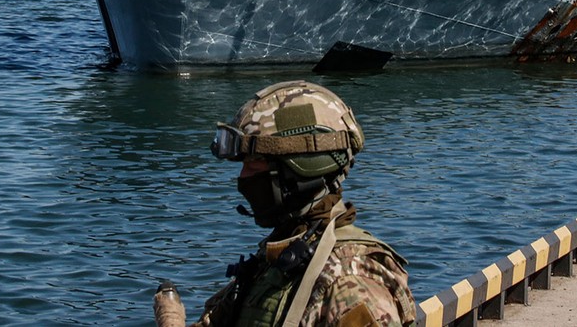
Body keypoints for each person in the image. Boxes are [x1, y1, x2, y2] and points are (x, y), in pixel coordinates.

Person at [157, 80, 416, 327]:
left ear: (300, 169)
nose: (243, 178)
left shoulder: (350, 282)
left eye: (253, 164)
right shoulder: (282, 257)